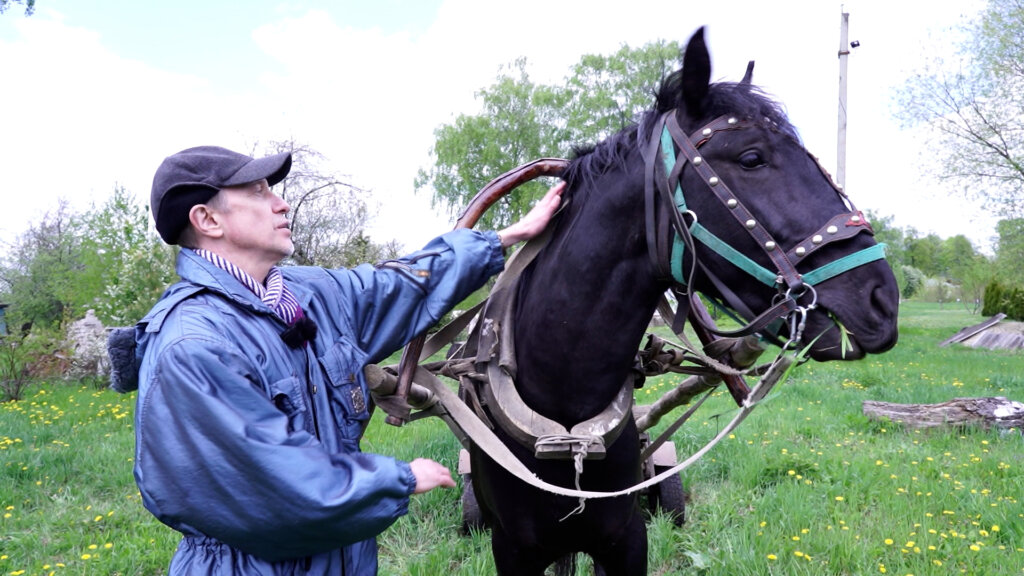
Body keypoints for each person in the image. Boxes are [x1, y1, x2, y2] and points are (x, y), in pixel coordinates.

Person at [126, 145, 563, 575]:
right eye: (258, 192)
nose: (281, 204)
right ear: (207, 220)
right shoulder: (193, 345)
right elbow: (276, 485)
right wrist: (398, 478)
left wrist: (502, 239)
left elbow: (400, 281)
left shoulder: (310, 294)